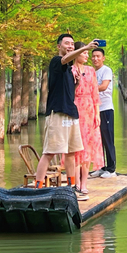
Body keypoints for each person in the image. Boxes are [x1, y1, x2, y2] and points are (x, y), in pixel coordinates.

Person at [34, 33, 97, 199]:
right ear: (59, 46)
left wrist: (76, 82)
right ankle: (37, 189)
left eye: (72, 44)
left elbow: (69, 91)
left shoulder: (70, 69)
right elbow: (64, 60)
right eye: (67, 43)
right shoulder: (57, 61)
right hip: (57, 113)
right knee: (49, 152)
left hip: (71, 113)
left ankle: (71, 189)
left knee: (70, 153)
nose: (70, 46)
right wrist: (85, 47)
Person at [72, 41, 104, 198]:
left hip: (89, 109)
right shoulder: (70, 70)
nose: (87, 56)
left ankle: (84, 183)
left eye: (87, 53)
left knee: (87, 148)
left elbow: (95, 93)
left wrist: (97, 114)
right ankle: (76, 183)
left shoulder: (91, 70)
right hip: (75, 108)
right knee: (76, 148)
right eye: (84, 52)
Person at [91, 48, 117, 178]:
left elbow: (103, 86)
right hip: (94, 110)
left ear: (103, 58)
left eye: (98, 56)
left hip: (106, 109)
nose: (95, 58)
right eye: (93, 56)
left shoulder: (106, 70)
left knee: (108, 139)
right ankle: (100, 166)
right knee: (97, 140)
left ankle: (111, 169)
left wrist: (88, 89)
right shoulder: (92, 72)